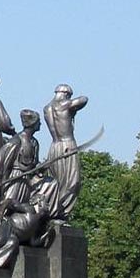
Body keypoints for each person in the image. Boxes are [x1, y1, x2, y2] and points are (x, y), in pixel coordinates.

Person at [0, 109, 61, 220]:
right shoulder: (16, 141)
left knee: (52, 184)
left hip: (29, 178)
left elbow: (34, 166)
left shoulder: (34, 142)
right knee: (8, 207)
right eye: (39, 122)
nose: (40, 124)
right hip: (15, 178)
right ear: (32, 124)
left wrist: (42, 167)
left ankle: (48, 217)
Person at [43, 84, 88, 219]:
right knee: (72, 182)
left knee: (57, 182)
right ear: (66, 94)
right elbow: (84, 99)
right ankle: (60, 213)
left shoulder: (47, 108)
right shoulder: (65, 105)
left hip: (54, 147)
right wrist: (72, 107)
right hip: (67, 144)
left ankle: (54, 211)